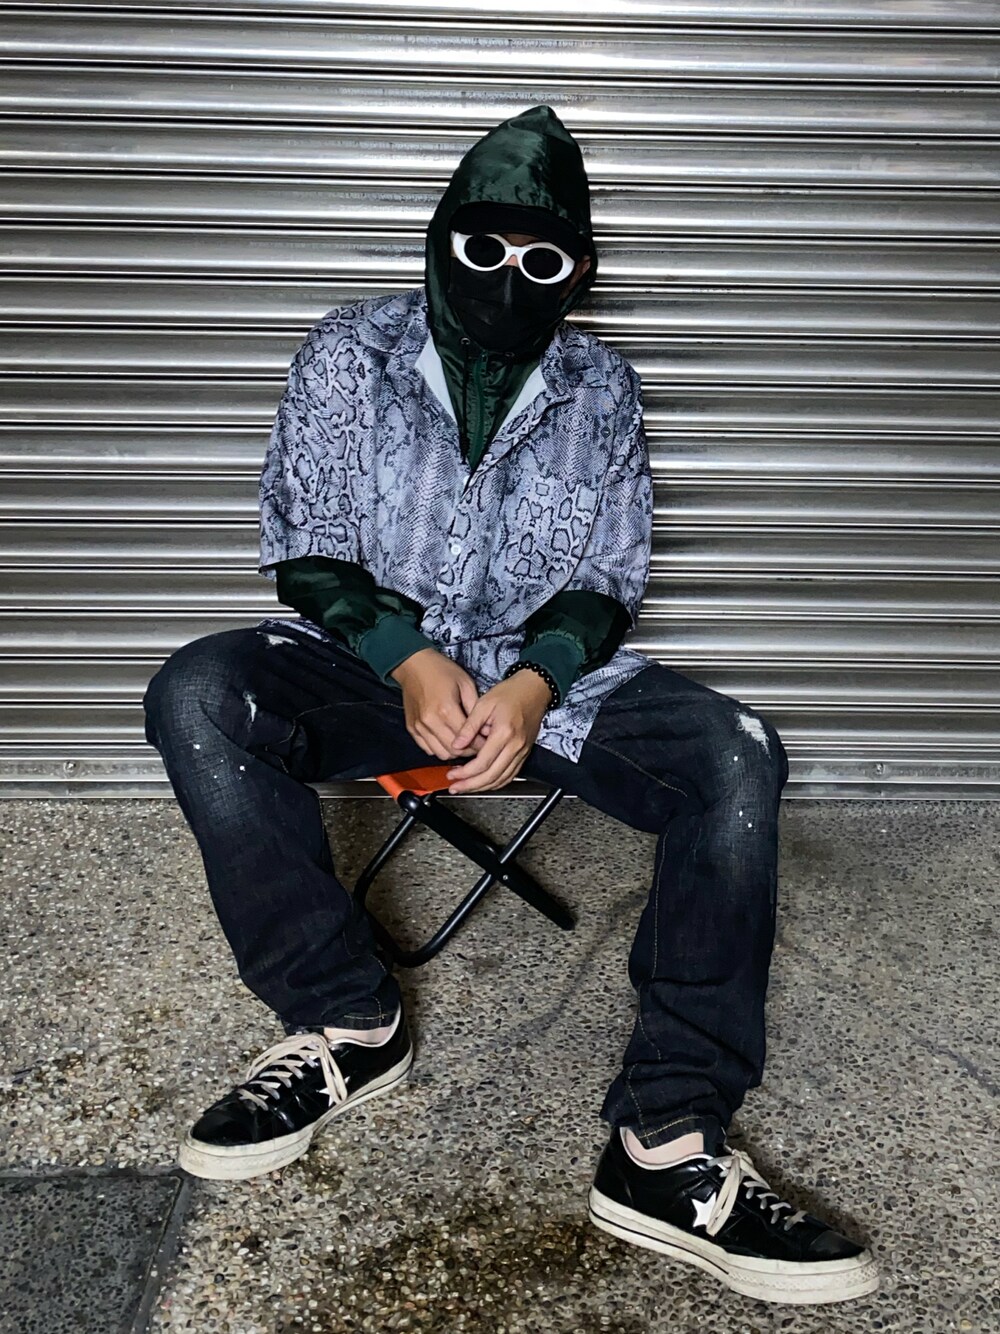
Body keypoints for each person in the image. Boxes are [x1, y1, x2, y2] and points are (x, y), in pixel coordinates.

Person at [142, 104, 878, 1305]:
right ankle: (346, 1023)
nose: (506, 277)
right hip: (369, 671)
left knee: (737, 755)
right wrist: (405, 656)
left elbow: (607, 576)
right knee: (197, 691)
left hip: (545, 685)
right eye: (482, 248)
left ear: (577, 271)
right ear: (441, 237)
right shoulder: (349, 349)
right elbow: (305, 540)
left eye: (542, 260)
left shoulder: (600, 386)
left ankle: (665, 1140)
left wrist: (534, 685)